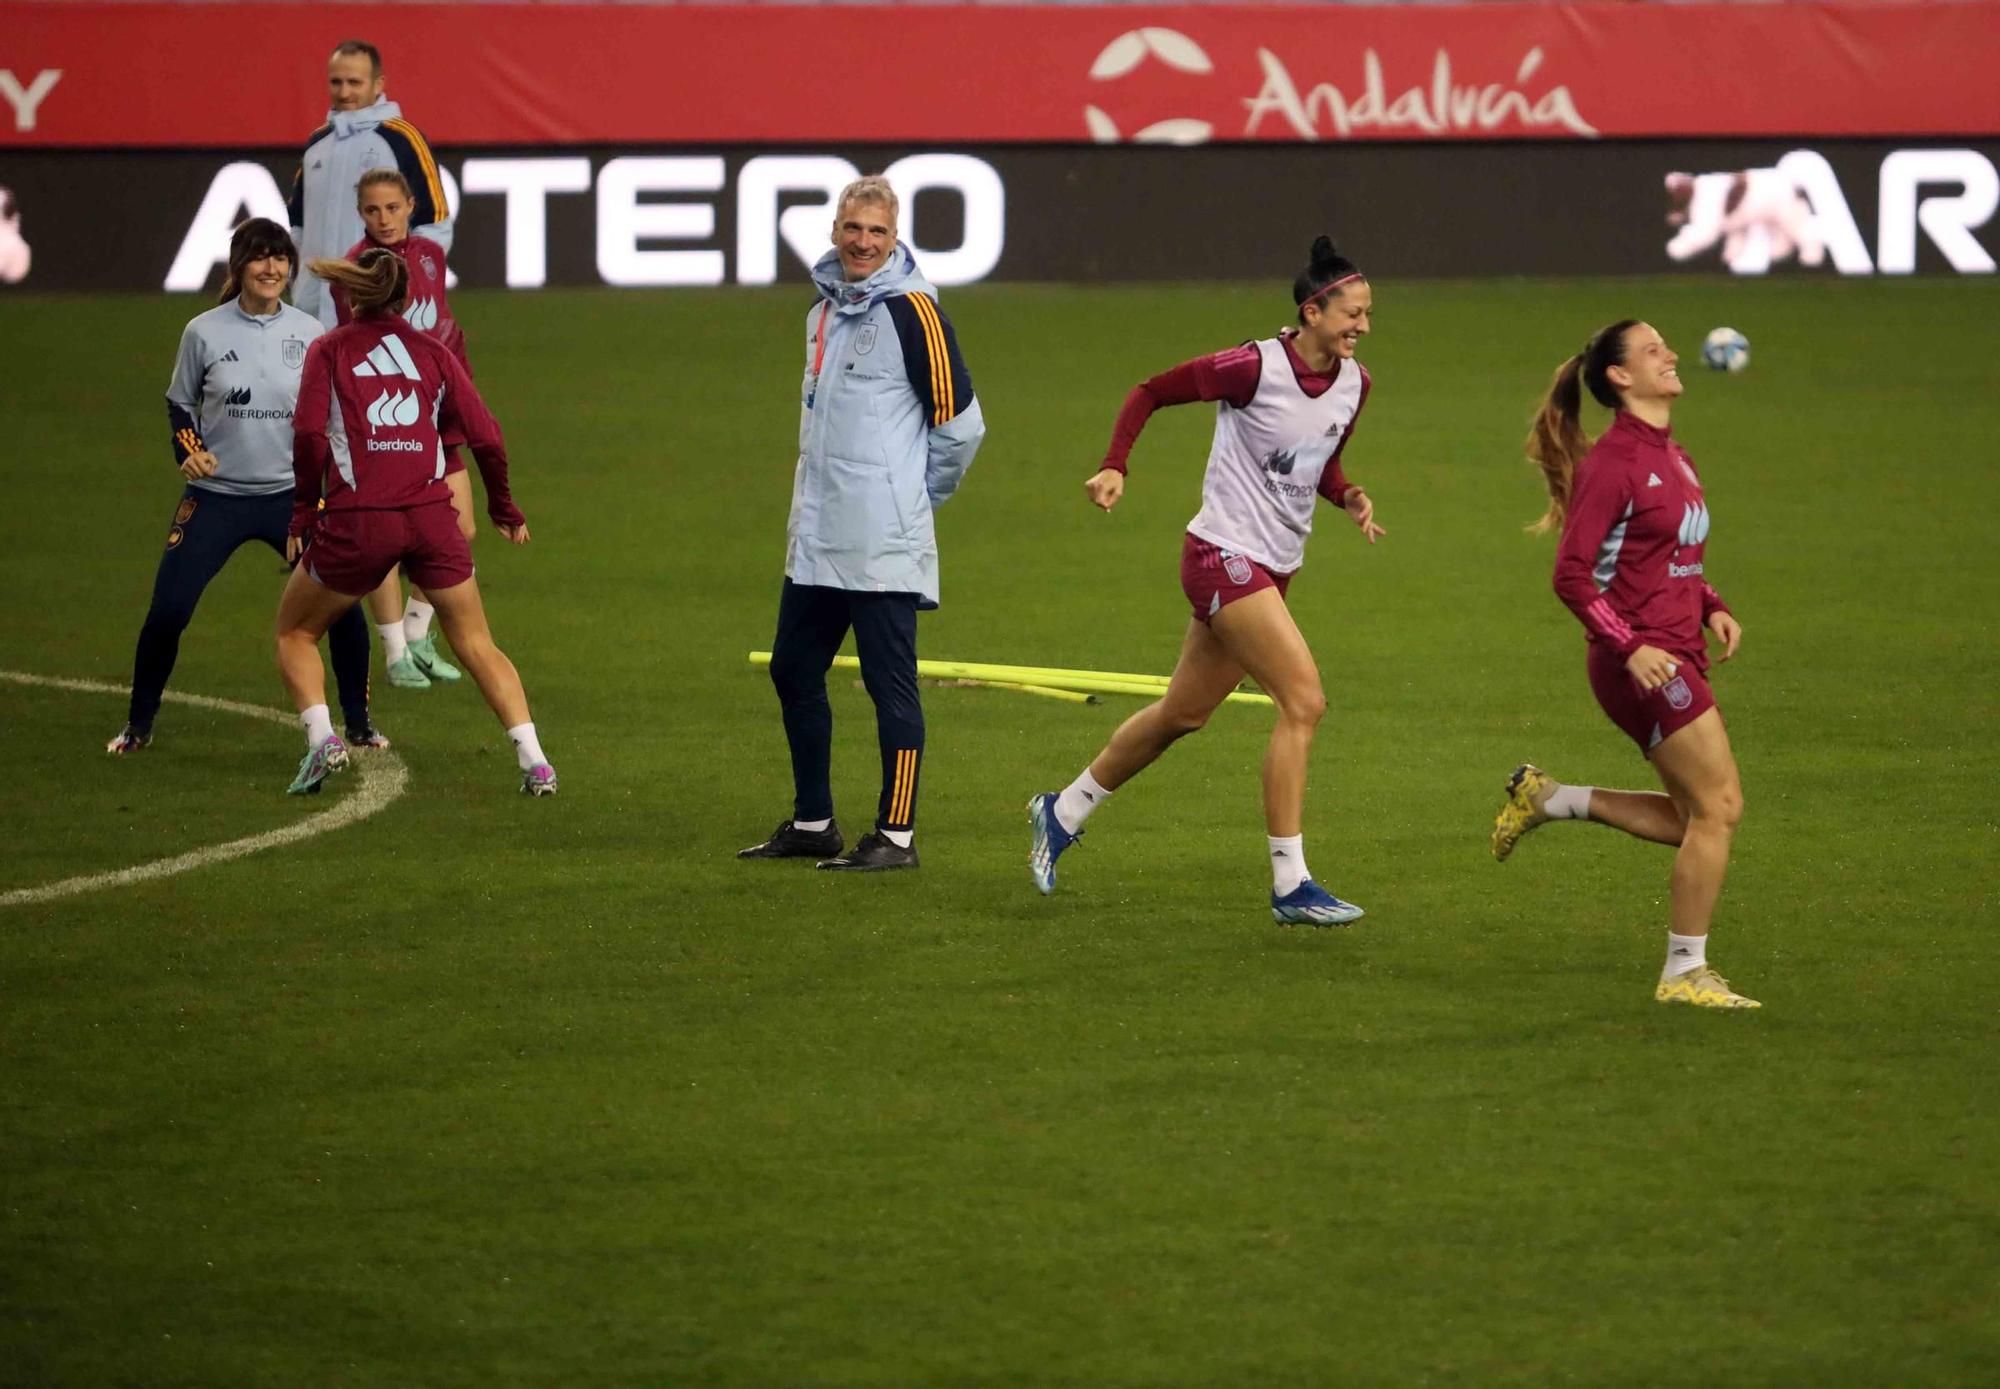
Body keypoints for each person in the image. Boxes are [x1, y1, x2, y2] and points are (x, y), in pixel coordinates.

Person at [1026, 236, 1385, 926]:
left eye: (1368, 315)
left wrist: (1349, 497)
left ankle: (1061, 809)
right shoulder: (1251, 366)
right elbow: (1151, 391)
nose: (1363, 327)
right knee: (1304, 702)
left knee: (1182, 714)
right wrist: (1115, 465)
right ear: (1312, 310)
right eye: (1353, 313)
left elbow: (1316, 462)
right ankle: (1291, 883)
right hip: (1222, 555)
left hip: (1274, 566)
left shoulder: (1355, 383)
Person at [1490, 319, 1757, 1010]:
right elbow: (1572, 575)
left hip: (1675, 649)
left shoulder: (1674, 455)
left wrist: (1712, 602)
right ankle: (1683, 972)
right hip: (1640, 661)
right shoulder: (1613, 464)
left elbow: (1671, 556)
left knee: (1692, 817)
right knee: (1720, 807)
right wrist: (1629, 645)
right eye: (1652, 350)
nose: (1670, 355)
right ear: (1619, 376)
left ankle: (1549, 798)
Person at [738, 175, 985, 871]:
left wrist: (910, 499)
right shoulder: (820, 313)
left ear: (895, 237)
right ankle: (815, 820)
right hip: (818, 537)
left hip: (881, 540)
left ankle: (896, 834)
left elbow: (963, 428)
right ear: (835, 230)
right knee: (793, 668)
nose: (863, 243)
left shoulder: (915, 313)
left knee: (890, 685)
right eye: (853, 229)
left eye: (877, 232)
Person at [276, 249, 554, 798]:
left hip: (360, 520)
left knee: (296, 631)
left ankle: (322, 741)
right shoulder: (434, 353)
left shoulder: (328, 350)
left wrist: (305, 512)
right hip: (432, 520)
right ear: (408, 299)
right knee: (476, 642)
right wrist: (503, 507)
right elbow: (487, 434)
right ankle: (535, 761)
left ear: (352, 296)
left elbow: (309, 436)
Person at [107, 219, 382, 756]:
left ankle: (360, 724)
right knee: (169, 609)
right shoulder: (203, 331)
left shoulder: (310, 334)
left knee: (343, 608)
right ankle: (138, 725)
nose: (271, 268)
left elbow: (332, 415)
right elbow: (181, 402)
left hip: (293, 500)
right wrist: (188, 449)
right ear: (239, 265)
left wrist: (334, 487)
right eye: (260, 257)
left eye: (280, 258)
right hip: (217, 499)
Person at [330, 167, 478, 691]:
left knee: (460, 528)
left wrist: (459, 382)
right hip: (386, 416)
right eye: (373, 210)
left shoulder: (430, 257)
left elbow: (442, 323)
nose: (384, 218)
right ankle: (394, 653)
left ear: (411, 205)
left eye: (392, 207)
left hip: (436, 409)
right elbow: (356, 345)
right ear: (361, 214)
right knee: (387, 539)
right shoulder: (357, 270)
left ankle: (417, 632)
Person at [288, 39, 450, 329]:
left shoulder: (403, 140)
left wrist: (402, 290)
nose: (344, 92)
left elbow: (434, 224)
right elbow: (299, 225)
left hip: (378, 311)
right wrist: (300, 288)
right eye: (336, 82)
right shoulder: (317, 144)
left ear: (378, 84)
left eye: (354, 82)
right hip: (310, 314)